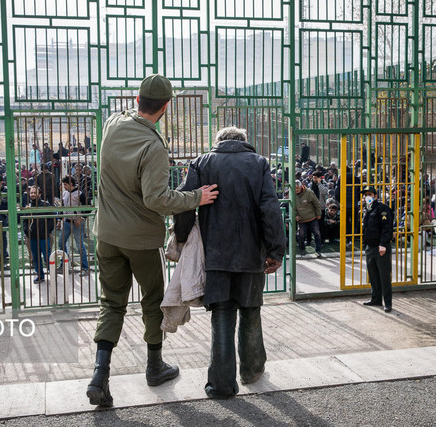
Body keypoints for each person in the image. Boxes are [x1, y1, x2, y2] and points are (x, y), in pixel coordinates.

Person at [87, 73, 219, 407]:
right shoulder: (153, 146)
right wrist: (195, 198)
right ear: (165, 107)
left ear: (136, 100)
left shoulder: (111, 125)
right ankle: (154, 366)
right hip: (141, 240)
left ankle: (99, 376)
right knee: (151, 300)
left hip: (106, 236)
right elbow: (157, 199)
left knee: (112, 301)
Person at [174, 126, 286, 399]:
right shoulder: (258, 163)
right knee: (251, 311)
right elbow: (270, 208)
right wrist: (275, 250)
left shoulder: (201, 163)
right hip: (251, 254)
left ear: (218, 142)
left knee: (222, 314)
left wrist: (181, 237)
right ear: (243, 142)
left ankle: (222, 385)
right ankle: (252, 370)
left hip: (215, 255)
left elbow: (184, 201)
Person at [361, 186, 395, 313]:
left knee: (384, 276)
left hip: (380, 247)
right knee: (373, 275)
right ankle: (375, 299)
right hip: (370, 247)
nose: (367, 197)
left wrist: (383, 244)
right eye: (365, 195)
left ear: (375, 196)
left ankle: (388, 303)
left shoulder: (382, 209)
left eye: (369, 194)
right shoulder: (367, 209)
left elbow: (387, 228)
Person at [23, 185, 55, 283]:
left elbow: (52, 219)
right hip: (32, 237)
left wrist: (47, 231)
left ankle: (52, 274)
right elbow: (24, 221)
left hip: (44, 236)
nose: (32, 194)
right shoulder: (28, 206)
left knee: (47, 257)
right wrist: (27, 231)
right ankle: (40, 275)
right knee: (36, 258)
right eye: (31, 193)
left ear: (39, 194)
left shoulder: (46, 205)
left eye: (34, 193)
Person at [59, 176, 89, 275]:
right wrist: (60, 219)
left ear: (71, 183)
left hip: (77, 223)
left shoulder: (80, 193)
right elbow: (62, 207)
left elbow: (88, 207)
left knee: (80, 246)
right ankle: (64, 264)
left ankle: (85, 268)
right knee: (60, 242)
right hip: (66, 222)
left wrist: (81, 218)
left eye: (65, 184)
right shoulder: (65, 193)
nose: (64, 186)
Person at [294, 180, 323, 256]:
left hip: (312, 217)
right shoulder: (292, 194)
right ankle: (302, 249)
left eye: (297, 188)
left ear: (301, 187)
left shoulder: (309, 192)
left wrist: (318, 214)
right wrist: (295, 216)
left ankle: (318, 250)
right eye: (295, 188)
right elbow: (292, 208)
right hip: (301, 219)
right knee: (301, 235)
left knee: (317, 233)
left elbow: (316, 203)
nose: (296, 190)